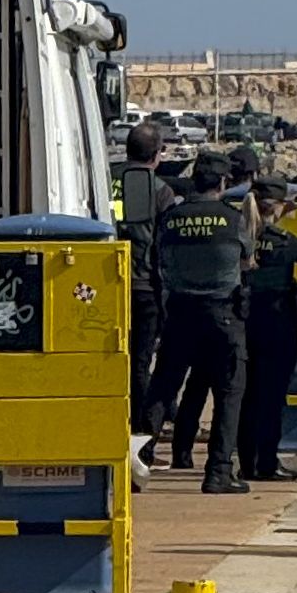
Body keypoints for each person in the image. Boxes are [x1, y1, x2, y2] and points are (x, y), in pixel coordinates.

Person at [148, 151, 251, 492]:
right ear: (223, 183)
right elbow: (247, 261)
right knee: (229, 392)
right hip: (223, 314)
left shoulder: (172, 218)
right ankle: (219, 470)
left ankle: (140, 458)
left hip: (179, 312)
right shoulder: (232, 219)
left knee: (163, 388)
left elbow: (158, 261)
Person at [236, 175, 297, 481]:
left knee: (246, 396)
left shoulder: (240, 234)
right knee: (272, 397)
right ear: (278, 205)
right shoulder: (285, 241)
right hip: (278, 326)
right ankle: (267, 463)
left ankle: (247, 461)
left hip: (245, 323)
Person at [112, 119, 174, 464]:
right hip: (144, 286)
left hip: (104, 283)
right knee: (139, 363)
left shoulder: (106, 180)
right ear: (157, 154)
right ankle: (137, 436)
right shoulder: (161, 190)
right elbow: (164, 245)